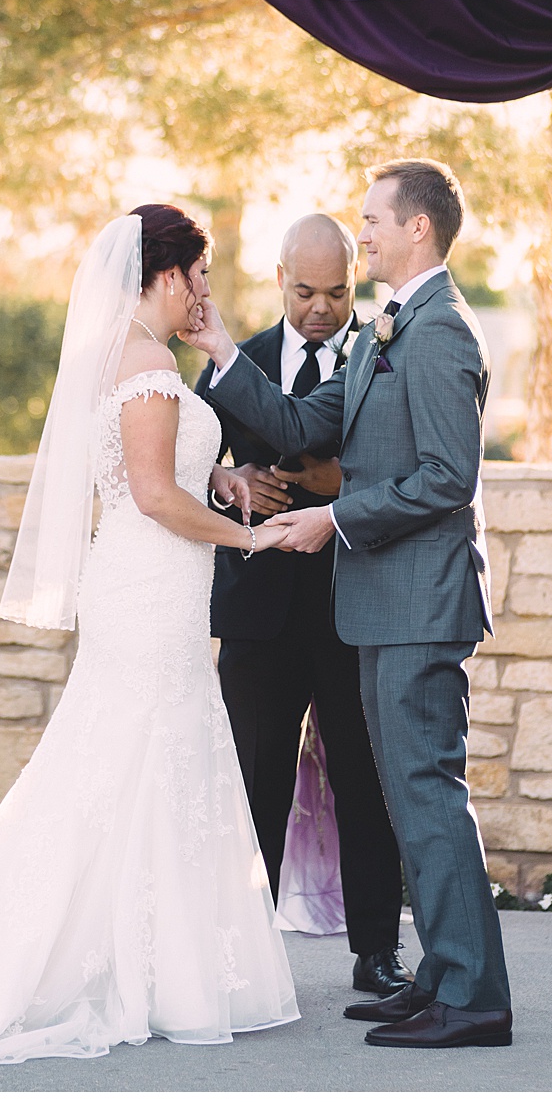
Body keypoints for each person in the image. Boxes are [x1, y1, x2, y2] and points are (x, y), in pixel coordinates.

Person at [0, 206, 299, 1064]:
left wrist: (218, 476)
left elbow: (150, 468)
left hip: (146, 588)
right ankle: (147, 972)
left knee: (133, 764)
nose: (206, 292)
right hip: (150, 590)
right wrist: (252, 538)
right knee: (143, 758)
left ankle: (152, 963)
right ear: (166, 274)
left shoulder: (122, 354)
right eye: (200, 275)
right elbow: (153, 495)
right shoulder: (148, 363)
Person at [186, 159, 510, 1051]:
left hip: (420, 604)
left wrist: (333, 516)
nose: (362, 231)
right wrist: (222, 351)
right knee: (412, 798)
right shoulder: (387, 330)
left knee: (426, 796)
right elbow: (298, 425)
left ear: (418, 227)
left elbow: (447, 478)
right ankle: (442, 978)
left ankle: (473, 996)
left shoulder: (440, 330)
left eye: (373, 219)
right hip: (381, 608)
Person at [193, 214, 410, 996]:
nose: (321, 308)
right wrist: (232, 482)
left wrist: (336, 482)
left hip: (355, 604)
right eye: (305, 291)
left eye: (338, 292)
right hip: (258, 611)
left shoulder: (383, 359)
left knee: (365, 781)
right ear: (280, 279)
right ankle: (240, 957)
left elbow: (404, 466)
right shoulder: (238, 360)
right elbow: (190, 463)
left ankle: (378, 951)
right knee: (254, 781)